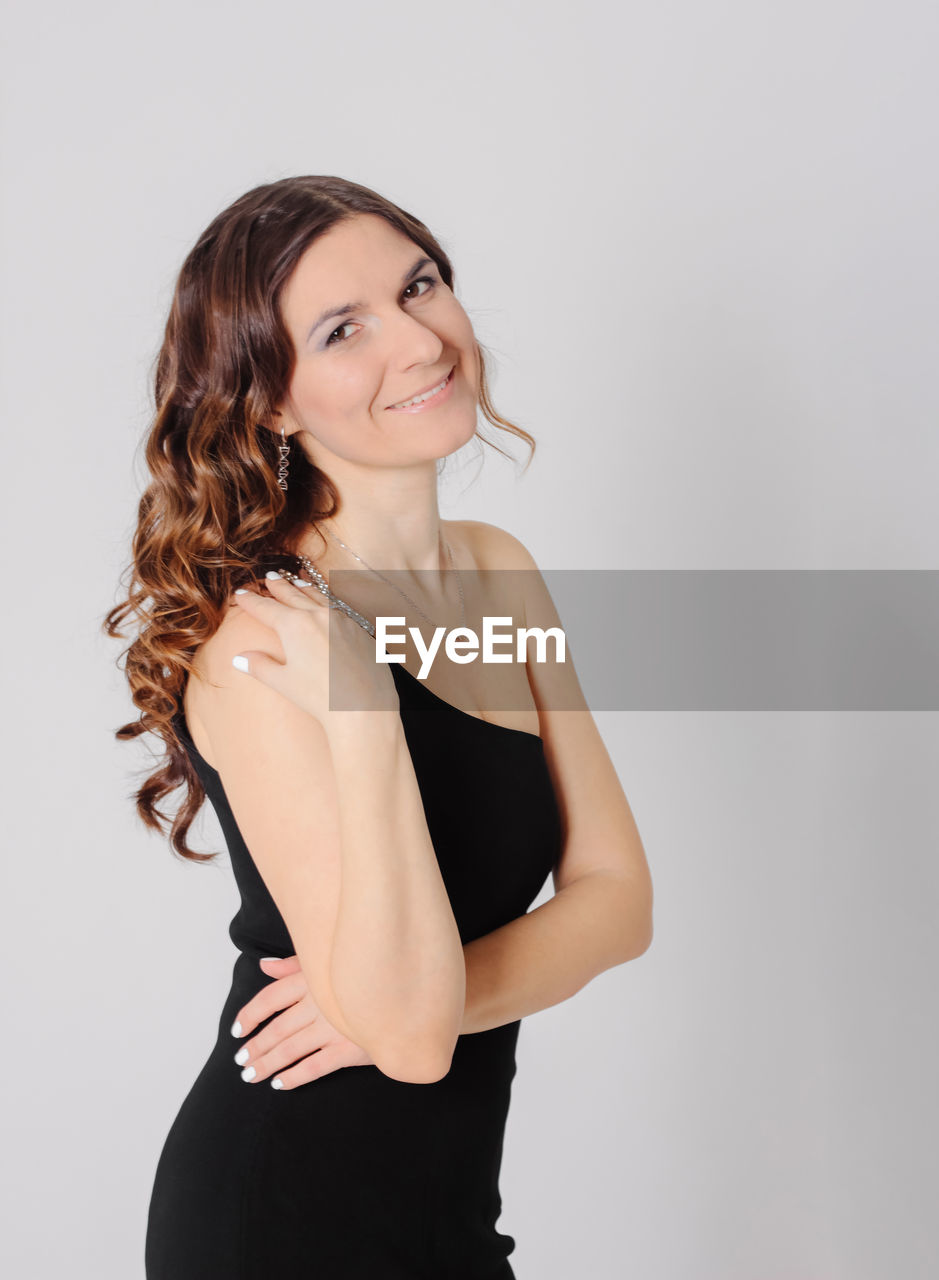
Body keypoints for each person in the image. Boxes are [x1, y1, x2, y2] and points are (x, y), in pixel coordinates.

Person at [105, 175, 654, 1279]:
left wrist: (411, 1003)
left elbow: (619, 900)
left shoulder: (500, 573)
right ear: (271, 401)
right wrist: (362, 709)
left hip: (447, 1216)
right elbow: (409, 1039)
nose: (420, 340)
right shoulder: (265, 642)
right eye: (344, 328)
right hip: (283, 1220)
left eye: (421, 285)